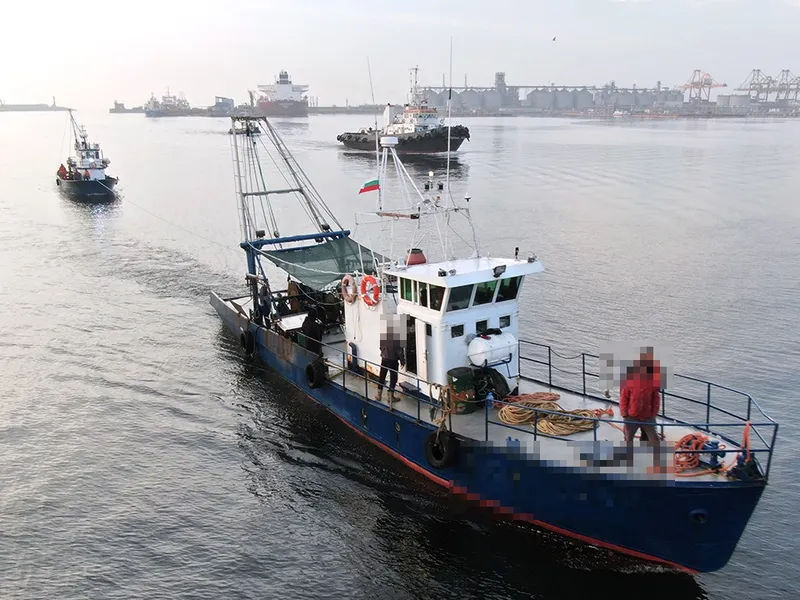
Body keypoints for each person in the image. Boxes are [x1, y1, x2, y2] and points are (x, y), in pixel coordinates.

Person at [620, 362, 662, 470]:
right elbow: (624, 398)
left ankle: (656, 461)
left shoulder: (653, 384)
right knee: (628, 438)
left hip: (647, 416)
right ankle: (628, 460)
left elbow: (656, 400)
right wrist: (624, 413)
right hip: (632, 415)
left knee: (654, 438)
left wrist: (653, 414)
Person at [376, 320, 405, 403]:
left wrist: (383, 353)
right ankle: (390, 396)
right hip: (392, 360)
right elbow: (399, 351)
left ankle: (379, 395)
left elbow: (380, 347)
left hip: (384, 358)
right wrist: (402, 362)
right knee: (393, 377)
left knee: (382, 376)